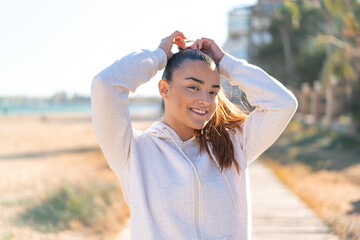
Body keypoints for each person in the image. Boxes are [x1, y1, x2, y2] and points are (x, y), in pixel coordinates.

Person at [90, 30, 298, 240]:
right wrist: (158, 56)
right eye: (193, 87)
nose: (205, 101)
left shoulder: (234, 145)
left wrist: (226, 63)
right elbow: (105, 85)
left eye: (213, 92)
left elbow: (283, 104)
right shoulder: (133, 152)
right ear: (164, 89)